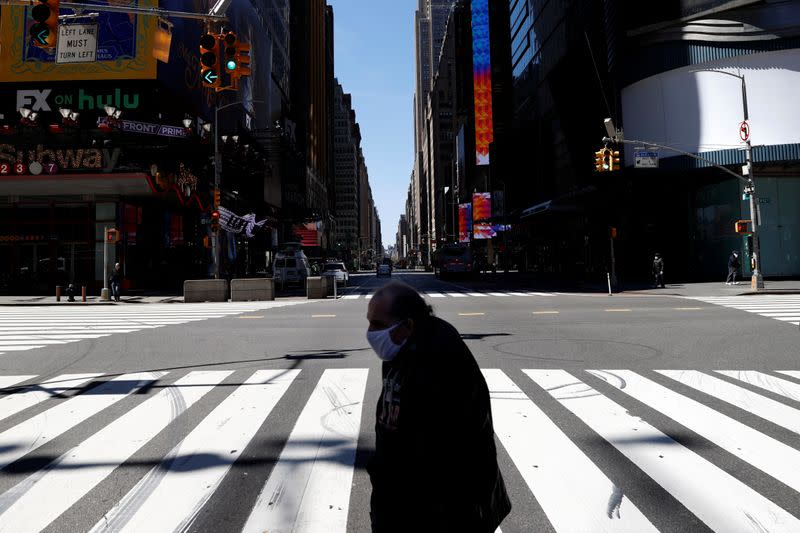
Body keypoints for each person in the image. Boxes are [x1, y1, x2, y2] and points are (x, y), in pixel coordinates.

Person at [366, 282, 511, 533]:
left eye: (378, 324)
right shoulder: (399, 348)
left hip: (439, 514)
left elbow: (443, 458)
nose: (370, 332)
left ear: (407, 325)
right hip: (404, 503)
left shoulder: (439, 362)